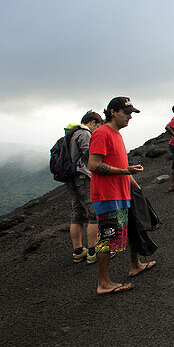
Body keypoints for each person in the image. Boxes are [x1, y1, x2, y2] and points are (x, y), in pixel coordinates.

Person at [88, 96, 155, 295]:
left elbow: (120, 164)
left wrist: (134, 183)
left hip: (122, 193)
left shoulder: (116, 134)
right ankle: (103, 283)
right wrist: (125, 173)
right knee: (107, 239)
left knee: (131, 229)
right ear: (112, 112)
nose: (130, 117)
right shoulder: (102, 133)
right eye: (126, 113)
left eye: (131, 113)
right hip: (107, 196)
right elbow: (93, 165)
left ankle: (135, 265)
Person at [65, 110, 103, 262]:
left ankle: (78, 250)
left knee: (77, 214)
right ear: (92, 122)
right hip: (83, 175)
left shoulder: (70, 133)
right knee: (93, 213)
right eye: (98, 126)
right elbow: (90, 154)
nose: (97, 130)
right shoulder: (84, 133)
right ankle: (93, 252)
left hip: (72, 177)